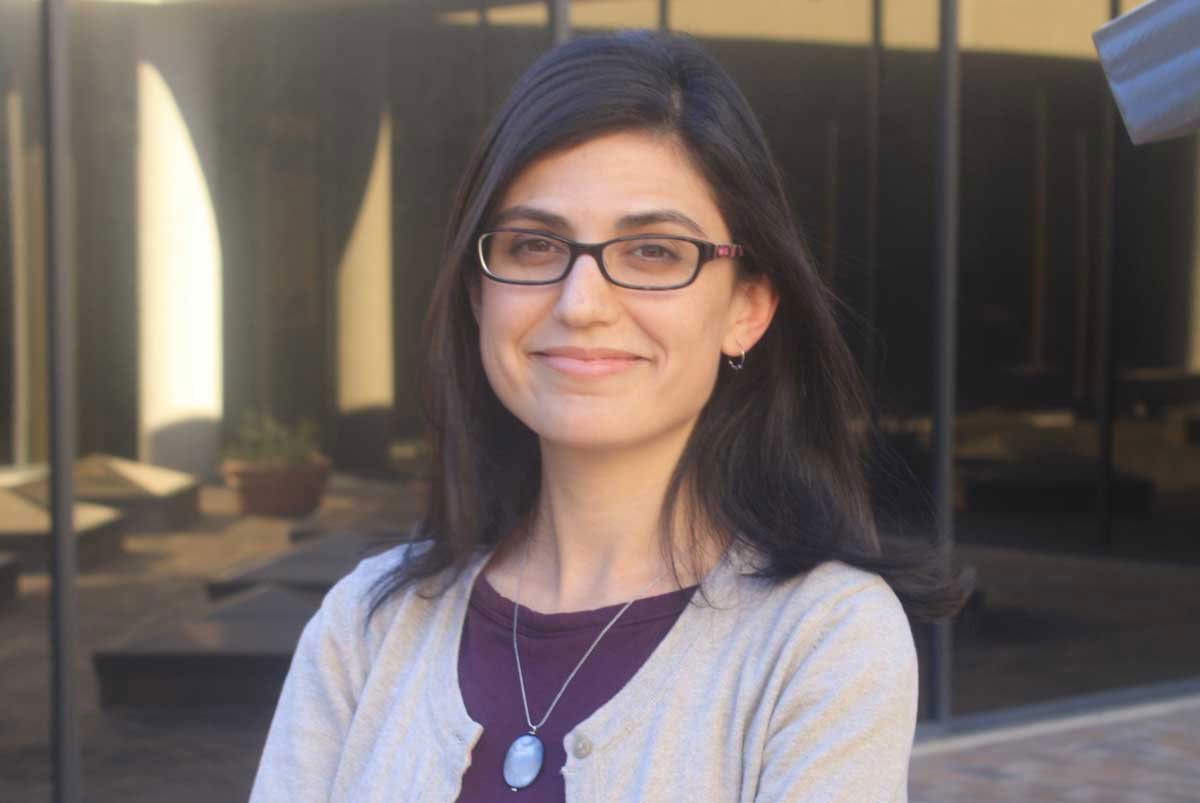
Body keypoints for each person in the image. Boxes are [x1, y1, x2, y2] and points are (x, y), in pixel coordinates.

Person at [249, 30, 972, 803]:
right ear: (477, 294)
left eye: (654, 252)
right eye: (533, 245)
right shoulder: (363, 626)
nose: (580, 304)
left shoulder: (822, 639)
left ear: (748, 309)